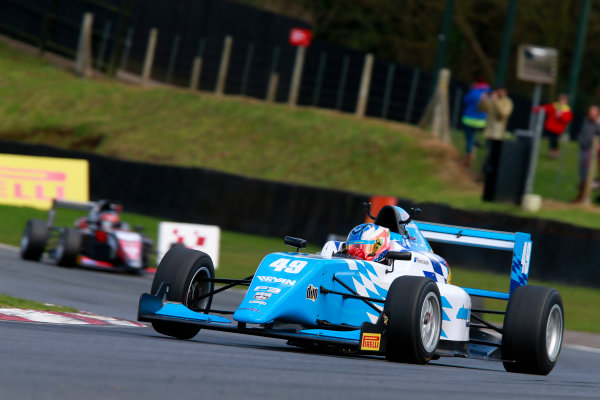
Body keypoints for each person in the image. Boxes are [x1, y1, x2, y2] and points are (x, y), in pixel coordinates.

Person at [572, 105, 600, 203]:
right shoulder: (585, 121)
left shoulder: (597, 124)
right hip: (582, 149)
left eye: (594, 112)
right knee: (582, 174)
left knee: (587, 174)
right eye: (590, 112)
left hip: (590, 152)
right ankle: (580, 196)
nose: (591, 114)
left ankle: (583, 196)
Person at [461, 78, 490, 167]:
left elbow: (465, 101)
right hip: (481, 122)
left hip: (469, 120)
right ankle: (475, 143)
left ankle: (470, 152)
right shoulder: (487, 94)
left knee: (469, 137)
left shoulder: (473, 92)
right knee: (475, 135)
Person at [533, 93, 573, 158]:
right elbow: (545, 108)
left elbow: (568, 119)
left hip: (557, 130)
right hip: (550, 127)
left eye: (563, 100)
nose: (561, 102)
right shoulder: (554, 106)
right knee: (551, 141)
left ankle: (554, 153)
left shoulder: (567, 110)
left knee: (554, 141)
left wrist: (561, 115)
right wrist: (536, 109)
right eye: (561, 100)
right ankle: (551, 153)